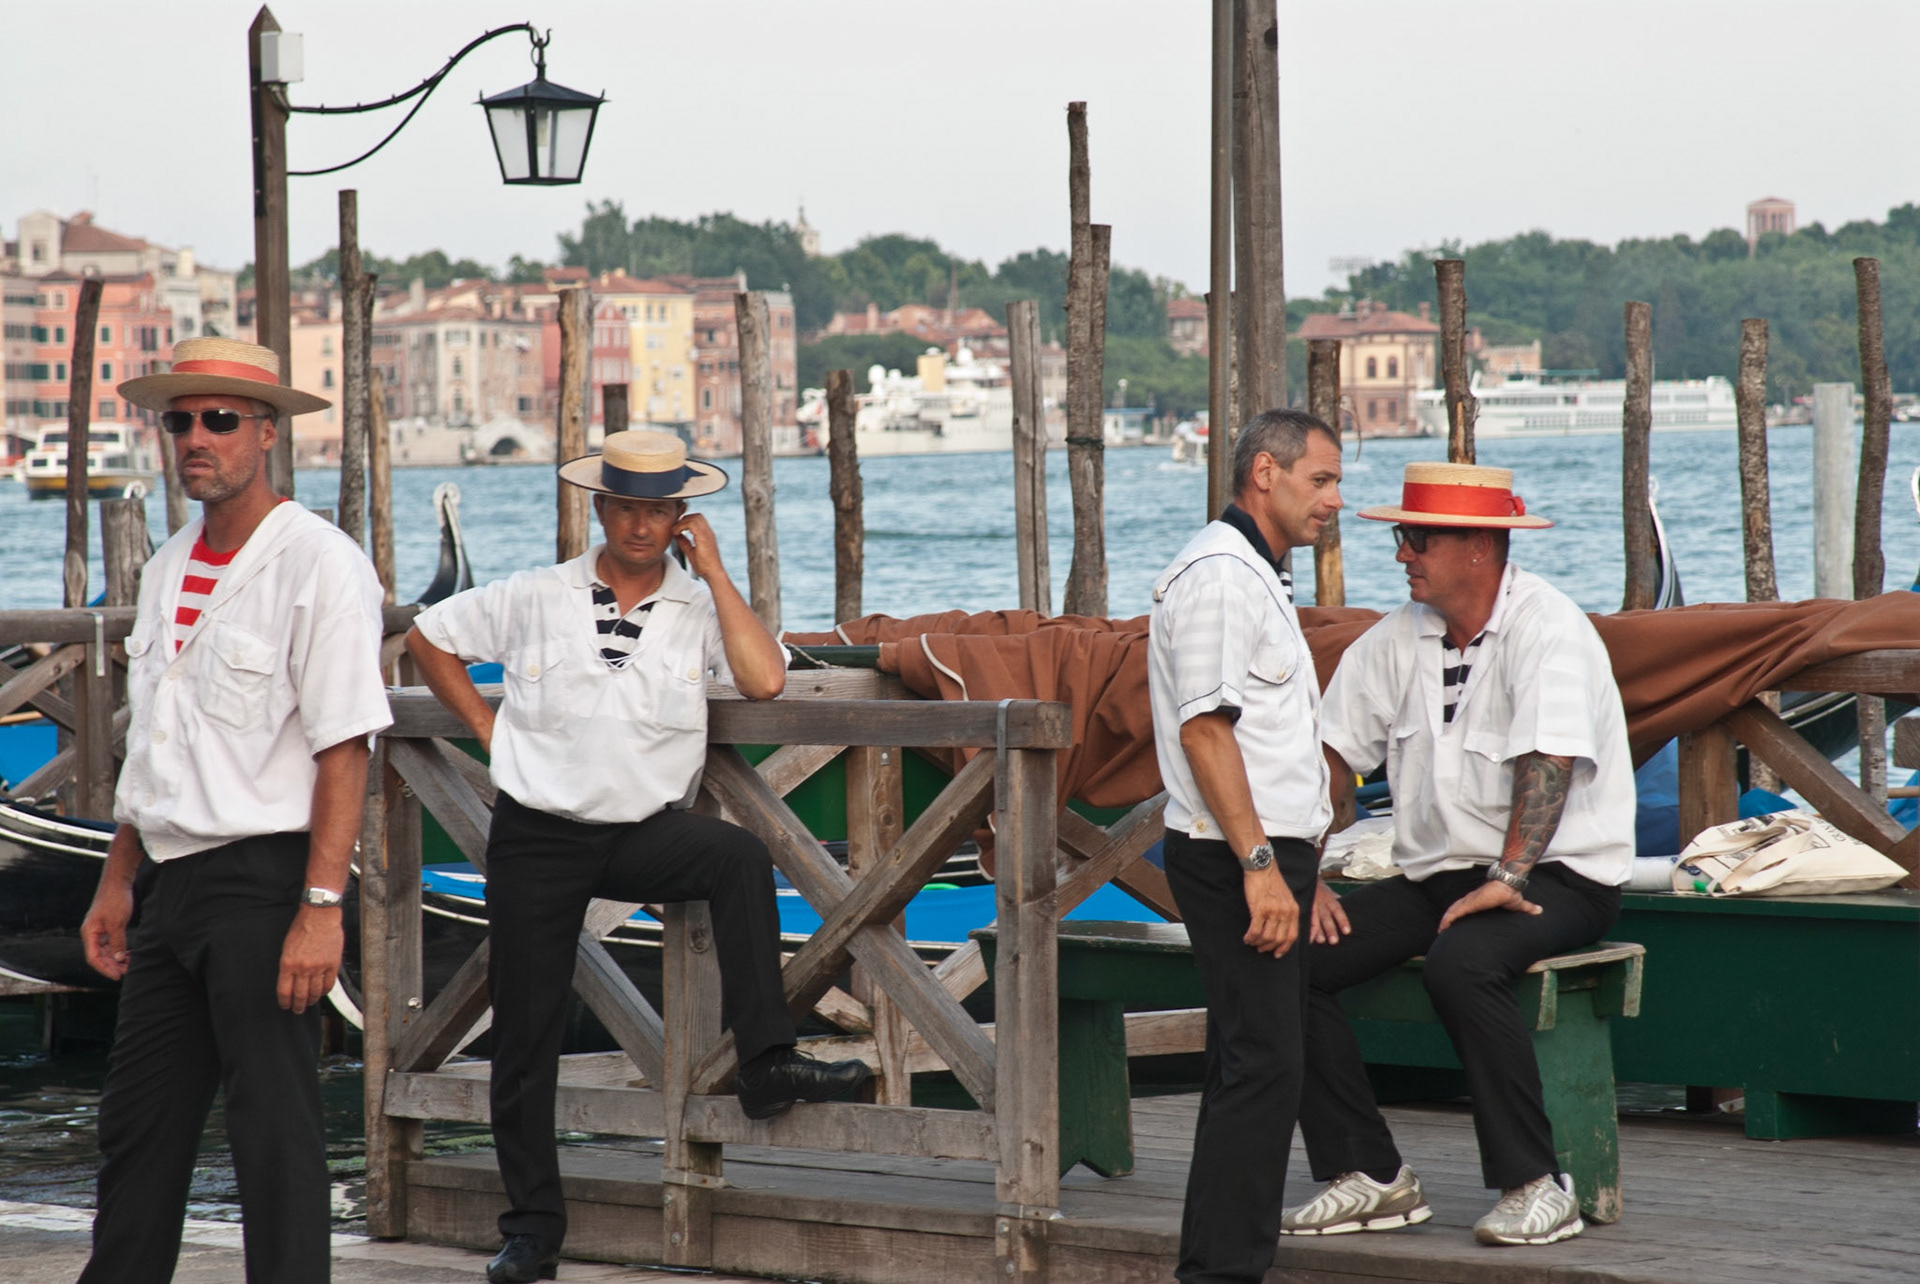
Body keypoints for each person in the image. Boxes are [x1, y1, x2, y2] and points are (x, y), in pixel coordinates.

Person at [405, 430, 871, 1284]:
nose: (641, 524)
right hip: (537, 833)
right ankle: (532, 1234)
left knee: (736, 855)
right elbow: (428, 637)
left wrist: (719, 575)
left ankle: (767, 1064)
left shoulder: (699, 608)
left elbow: (766, 680)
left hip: (642, 833)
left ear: (678, 517)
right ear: (601, 508)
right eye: (627, 506)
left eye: (659, 510)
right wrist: (485, 728)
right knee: (526, 1037)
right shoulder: (538, 595)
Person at [77, 337, 392, 1284]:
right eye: (179, 420)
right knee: (137, 1130)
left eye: (218, 420)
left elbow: (346, 747)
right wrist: (114, 882)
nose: (194, 438)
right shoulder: (169, 563)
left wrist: (320, 909)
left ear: (267, 434)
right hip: (168, 885)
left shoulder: (321, 566)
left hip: (266, 885)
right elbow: (158, 744)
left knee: (275, 1138)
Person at [1285, 461, 1634, 1247]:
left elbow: (1546, 767)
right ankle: (1369, 1175)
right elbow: (1328, 765)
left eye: (1418, 537)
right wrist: (1301, 876)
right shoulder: (1393, 639)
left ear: (1480, 547)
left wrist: (1508, 878)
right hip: (1439, 875)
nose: (1401, 552)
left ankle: (1539, 1185)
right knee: (1291, 954)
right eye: (1402, 535)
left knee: (1462, 962)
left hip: (1560, 873)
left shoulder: (1550, 629)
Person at [1146, 409, 1345, 1284]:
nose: (1334, 501)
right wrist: (1262, 867)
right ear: (1265, 473)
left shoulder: (1256, 574)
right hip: (1238, 854)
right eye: (1322, 480)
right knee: (1263, 1065)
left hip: (1265, 850)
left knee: (1255, 1063)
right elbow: (1206, 734)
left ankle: (1218, 1267)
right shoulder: (1223, 577)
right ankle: (1221, 1273)